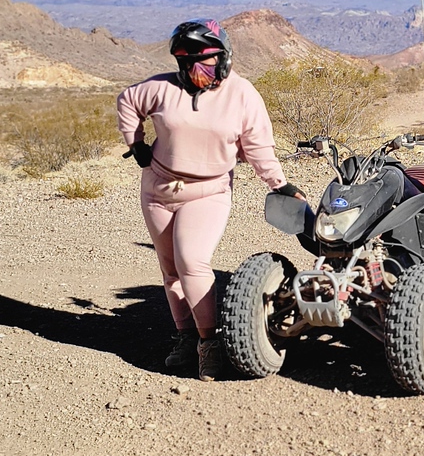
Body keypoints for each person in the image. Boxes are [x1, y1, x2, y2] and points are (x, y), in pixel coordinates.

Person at [116, 19, 306, 381]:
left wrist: (279, 184)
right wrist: (135, 142)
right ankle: (185, 336)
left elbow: (258, 146)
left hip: (208, 191)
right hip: (157, 189)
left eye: (204, 61)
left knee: (191, 260)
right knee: (171, 270)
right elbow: (127, 100)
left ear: (224, 57)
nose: (196, 70)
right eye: (187, 62)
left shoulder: (242, 94)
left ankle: (209, 342)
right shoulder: (162, 88)